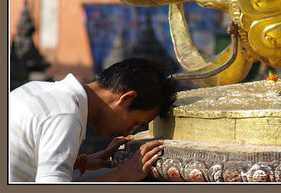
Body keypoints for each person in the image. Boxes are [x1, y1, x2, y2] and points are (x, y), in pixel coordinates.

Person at [9, 57, 177, 182]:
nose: (128, 132)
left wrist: (80, 162)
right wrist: (121, 176)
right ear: (126, 98)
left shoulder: (39, 88)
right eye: (135, 123)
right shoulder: (65, 114)